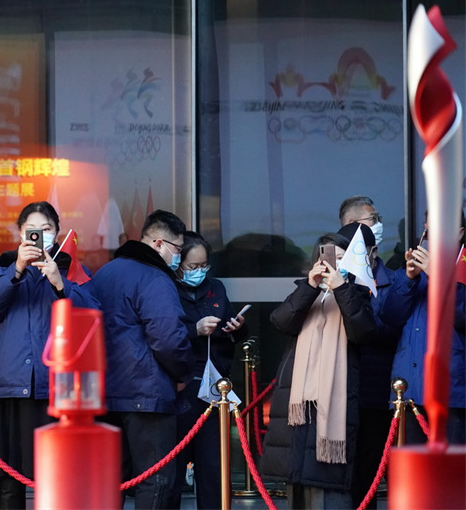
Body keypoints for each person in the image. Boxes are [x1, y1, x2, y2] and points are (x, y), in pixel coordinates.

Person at [0, 201, 99, 510]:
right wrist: (17, 270)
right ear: (19, 232)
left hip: (56, 387)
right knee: (10, 476)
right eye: (32, 231)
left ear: (57, 233)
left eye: (46, 230)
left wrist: (59, 282)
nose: (39, 236)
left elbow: (91, 315)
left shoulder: (72, 269)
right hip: (11, 385)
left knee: (59, 474)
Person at [260, 231, 379, 509]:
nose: (333, 264)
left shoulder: (359, 292)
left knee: (328, 488)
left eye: (341, 258)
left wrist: (341, 288)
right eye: (328, 258)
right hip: (298, 406)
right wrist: (309, 287)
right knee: (298, 485)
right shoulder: (306, 291)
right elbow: (280, 321)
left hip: (333, 406)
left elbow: (363, 332)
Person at [88, 209, 193, 509]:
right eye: (177, 249)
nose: (179, 257)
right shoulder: (155, 278)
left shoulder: (105, 272)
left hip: (104, 393)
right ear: (158, 244)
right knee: (155, 480)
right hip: (147, 394)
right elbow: (168, 337)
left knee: (110, 480)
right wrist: (183, 373)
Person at [166, 231, 248, 510]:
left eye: (204, 266)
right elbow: (163, 336)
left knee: (213, 467)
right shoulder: (166, 288)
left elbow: (230, 327)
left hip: (214, 390)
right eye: (193, 267)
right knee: (173, 468)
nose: (199, 272)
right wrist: (195, 330)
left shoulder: (216, 288)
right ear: (178, 263)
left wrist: (236, 329)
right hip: (180, 386)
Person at [380, 214, 466, 444]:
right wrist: (408, 278)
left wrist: (436, 274)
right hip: (409, 391)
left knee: (450, 473)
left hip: (452, 392)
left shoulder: (462, 268)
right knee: (414, 471)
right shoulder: (414, 270)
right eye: (428, 229)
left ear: (459, 233)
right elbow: (390, 316)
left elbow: (462, 315)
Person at [337, 202, 400, 509]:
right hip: (338, 391)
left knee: (370, 472)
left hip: (375, 391)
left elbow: (388, 329)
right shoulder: (335, 279)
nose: (378, 223)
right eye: (372, 219)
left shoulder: (392, 280)